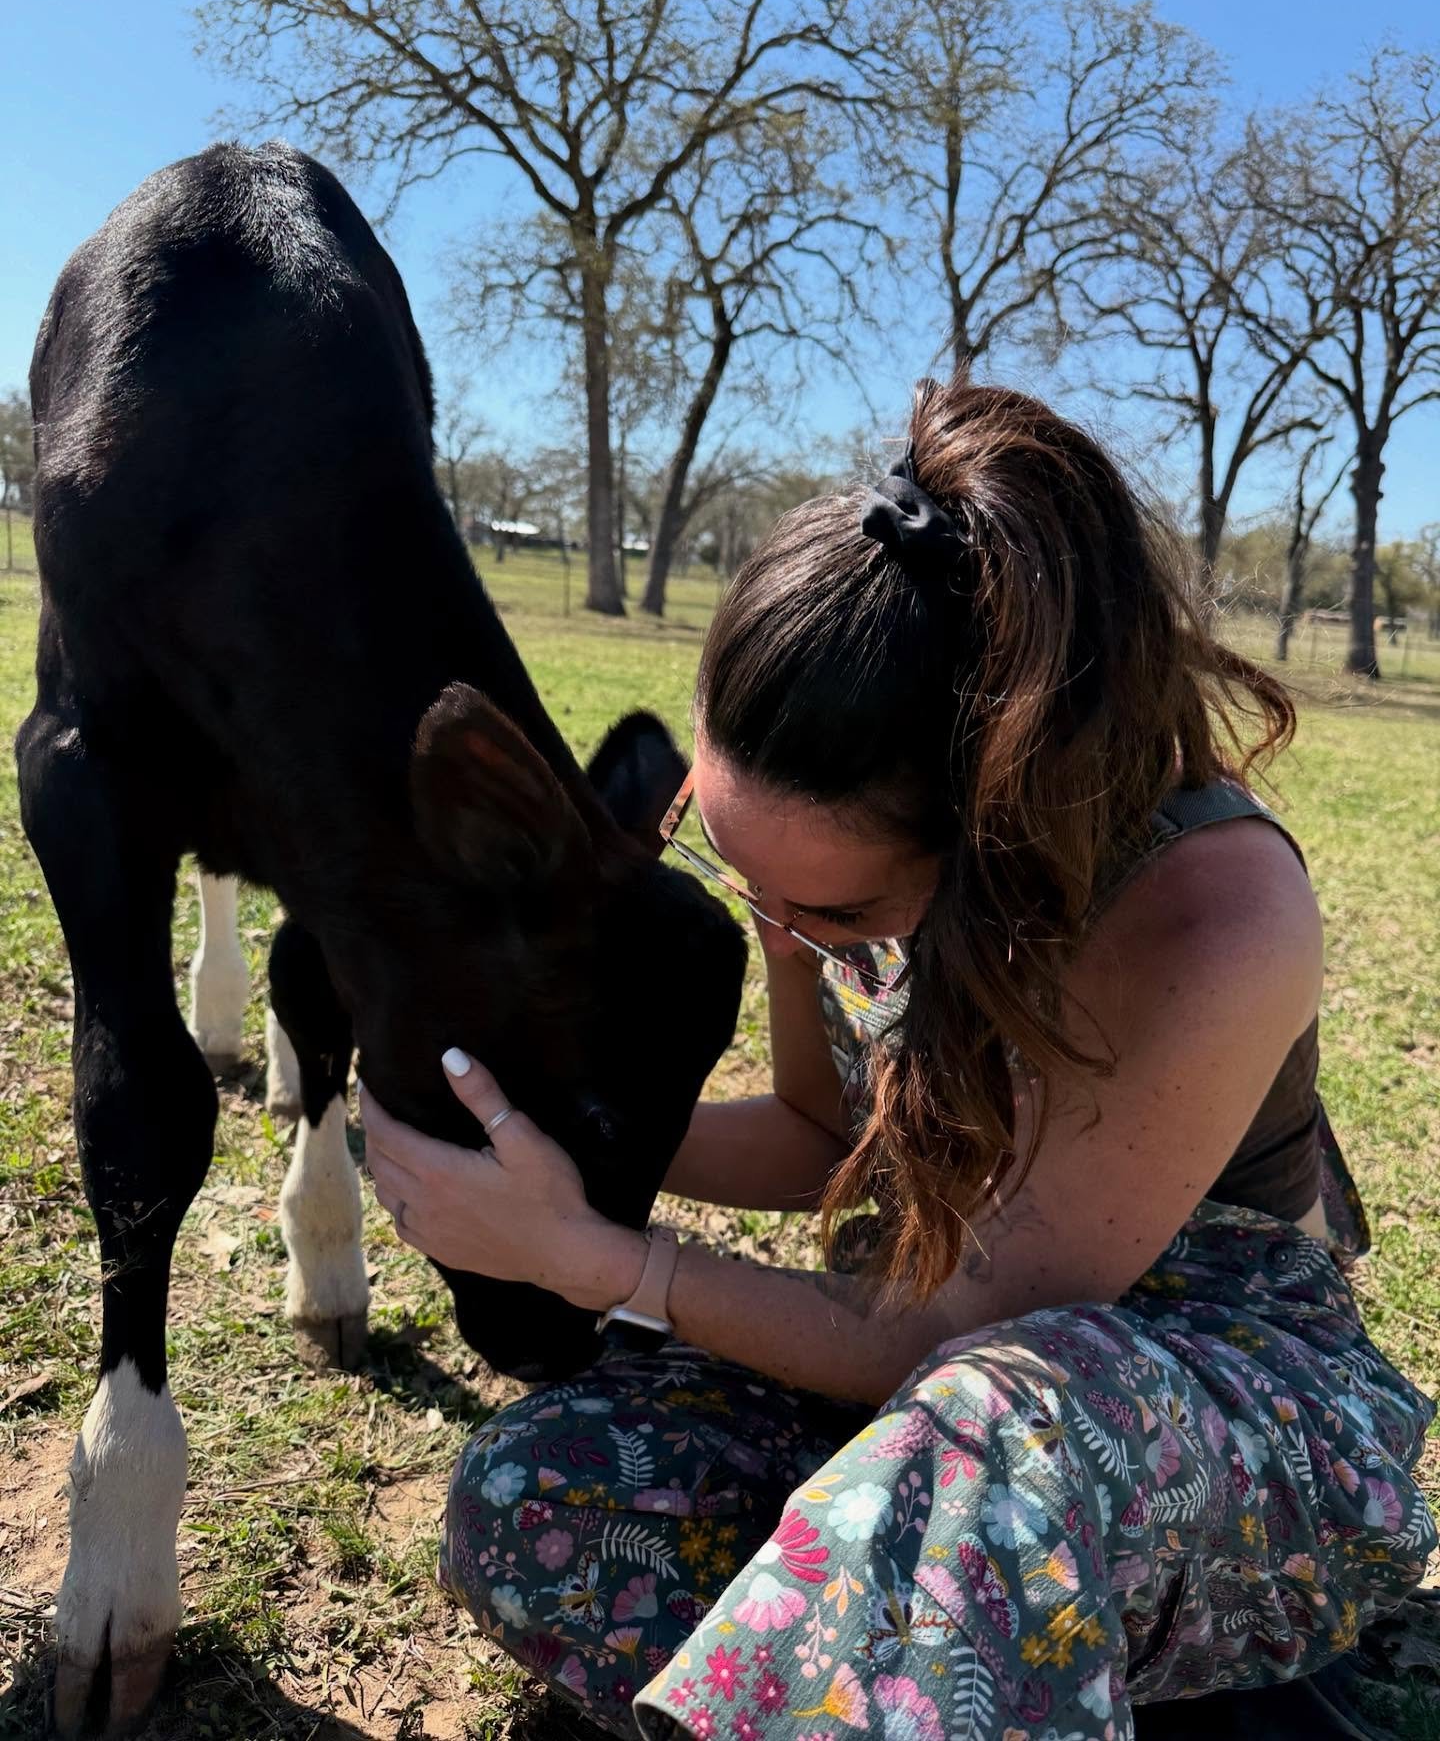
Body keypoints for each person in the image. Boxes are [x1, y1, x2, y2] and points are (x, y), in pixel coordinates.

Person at [360, 374, 1435, 1741]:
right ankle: (969, 1671)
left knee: (998, 1431)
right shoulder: (817, 865)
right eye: (740, 872)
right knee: (537, 1498)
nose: (781, 932)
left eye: (835, 913)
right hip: (928, 1396)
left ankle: (1035, 1656)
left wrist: (606, 1263)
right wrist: (555, 1146)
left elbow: (961, 1337)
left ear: (996, 825)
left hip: (1170, 1413)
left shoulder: (1213, 913)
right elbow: (825, 1137)